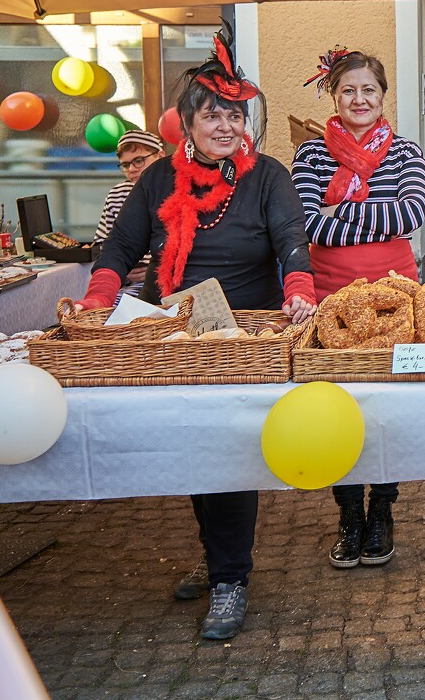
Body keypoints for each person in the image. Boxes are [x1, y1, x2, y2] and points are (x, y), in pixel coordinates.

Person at [75, 34, 316, 641]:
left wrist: (300, 291)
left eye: (235, 114)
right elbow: (121, 246)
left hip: (242, 336)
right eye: (213, 114)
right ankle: (219, 562)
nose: (227, 125)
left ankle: (232, 578)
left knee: (228, 452)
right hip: (174, 334)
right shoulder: (158, 178)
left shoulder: (267, 176)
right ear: (187, 122)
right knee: (192, 449)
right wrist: (100, 297)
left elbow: (291, 239)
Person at [292, 48, 425, 570]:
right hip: (331, 298)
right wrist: (378, 216)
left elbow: (412, 211)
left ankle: (383, 510)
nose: (359, 99)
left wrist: (342, 211)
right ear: (334, 95)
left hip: (397, 296)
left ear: (383, 95)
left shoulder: (406, 153)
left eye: (368, 89)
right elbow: (310, 225)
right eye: (348, 90)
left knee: (386, 405)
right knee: (338, 404)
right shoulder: (309, 157)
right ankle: (349, 512)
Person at [92, 128, 166, 292]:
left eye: (138, 160)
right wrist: (121, 271)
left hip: (168, 281)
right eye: (125, 165)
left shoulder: (176, 189)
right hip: (127, 283)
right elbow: (101, 245)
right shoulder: (116, 194)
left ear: (160, 156)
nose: (131, 169)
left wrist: (151, 271)